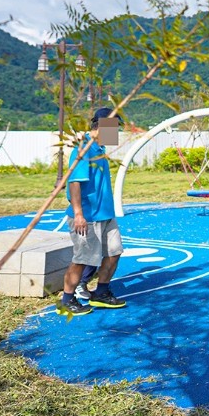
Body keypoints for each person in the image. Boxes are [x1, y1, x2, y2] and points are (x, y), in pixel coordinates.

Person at [58, 107, 127, 316]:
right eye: (114, 127)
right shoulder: (84, 148)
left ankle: (101, 292)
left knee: (114, 253)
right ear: (102, 125)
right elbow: (75, 183)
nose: (116, 132)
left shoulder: (100, 149)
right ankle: (67, 300)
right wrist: (79, 214)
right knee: (82, 259)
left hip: (106, 215)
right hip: (87, 217)